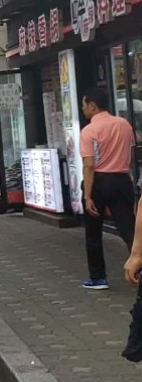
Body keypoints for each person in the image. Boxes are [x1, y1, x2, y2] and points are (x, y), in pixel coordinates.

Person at [79, 88, 136, 290]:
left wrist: (87, 195)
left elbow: (89, 165)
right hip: (122, 179)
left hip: (99, 182)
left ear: (93, 106)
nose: (83, 109)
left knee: (93, 231)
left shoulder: (89, 131)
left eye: (85, 105)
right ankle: (138, 267)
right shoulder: (124, 125)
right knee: (129, 228)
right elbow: (129, 155)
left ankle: (98, 277)